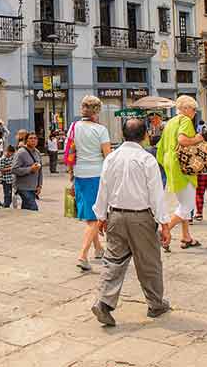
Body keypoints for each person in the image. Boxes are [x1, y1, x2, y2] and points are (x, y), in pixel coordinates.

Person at [90, 118, 171, 327]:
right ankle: (155, 304)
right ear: (145, 136)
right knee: (149, 262)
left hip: (115, 216)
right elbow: (156, 194)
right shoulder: (147, 160)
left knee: (113, 261)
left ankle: (104, 303)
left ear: (123, 135)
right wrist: (164, 223)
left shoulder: (111, 158)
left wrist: (101, 216)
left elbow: (103, 188)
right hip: (141, 218)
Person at [68, 95, 110, 272]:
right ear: (97, 112)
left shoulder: (74, 127)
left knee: (89, 213)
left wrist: (71, 175)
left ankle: (99, 249)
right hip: (96, 174)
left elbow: (70, 151)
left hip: (79, 173)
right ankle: (83, 256)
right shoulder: (101, 130)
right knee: (95, 217)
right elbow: (107, 155)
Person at [156, 95, 202, 251]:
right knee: (187, 205)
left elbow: (160, 148)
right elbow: (183, 140)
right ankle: (164, 230)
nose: (195, 112)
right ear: (186, 109)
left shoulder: (169, 122)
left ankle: (186, 237)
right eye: (194, 109)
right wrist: (198, 138)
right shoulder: (185, 120)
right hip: (182, 167)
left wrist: (168, 163)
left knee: (183, 202)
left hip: (170, 165)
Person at [12, 133, 44, 211]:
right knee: (33, 208)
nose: (33, 140)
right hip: (23, 187)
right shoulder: (21, 152)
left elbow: (40, 170)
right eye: (30, 138)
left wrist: (39, 185)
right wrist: (30, 169)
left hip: (33, 187)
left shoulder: (37, 152)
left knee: (26, 210)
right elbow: (14, 169)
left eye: (35, 138)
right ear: (26, 140)